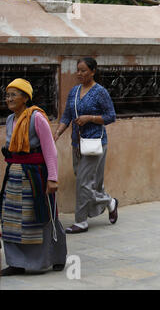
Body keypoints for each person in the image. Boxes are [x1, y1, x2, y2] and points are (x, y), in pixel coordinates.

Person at [0, 79, 67, 276]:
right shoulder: (11, 119)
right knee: (11, 218)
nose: (9, 99)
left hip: (35, 175)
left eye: (14, 94)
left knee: (40, 216)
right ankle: (16, 263)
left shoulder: (37, 117)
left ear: (25, 97)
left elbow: (49, 149)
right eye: (7, 95)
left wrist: (52, 178)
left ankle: (53, 257)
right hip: (14, 174)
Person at [53, 57, 118, 234]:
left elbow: (111, 116)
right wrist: (58, 133)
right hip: (77, 143)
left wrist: (89, 118)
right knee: (84, 181)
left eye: (83, 70)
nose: (79, 73)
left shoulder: (100, 92)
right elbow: (66, 115)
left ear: (93, 71)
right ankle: (109, 202)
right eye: (78, 70)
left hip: (94, 142)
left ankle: (81, 221)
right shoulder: (74, 91)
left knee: (83, 183)